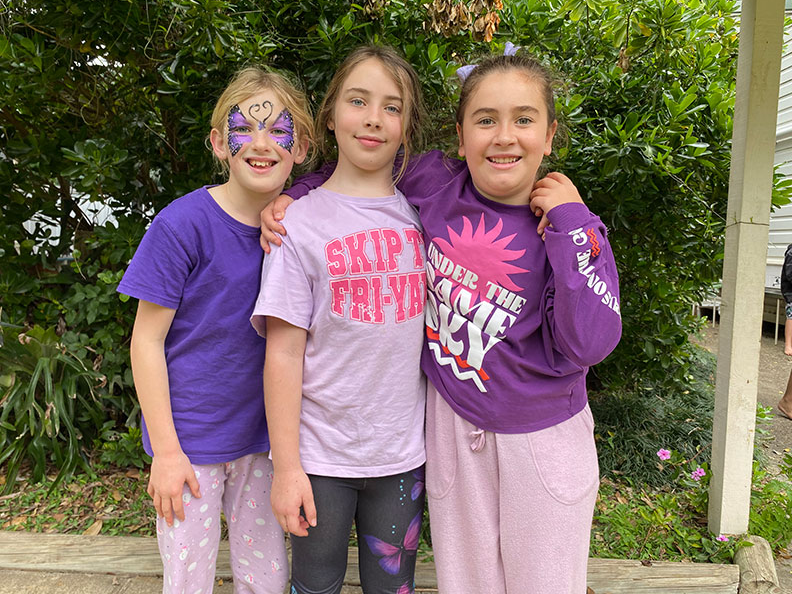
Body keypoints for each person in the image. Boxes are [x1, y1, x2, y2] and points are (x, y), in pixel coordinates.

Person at [266, 45, 623, 594]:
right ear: (460, 137)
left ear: (549, 136)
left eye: (524, 120)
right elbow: (364, 163)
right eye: (486, 120)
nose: (504, 136)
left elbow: (591, 342)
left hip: (541, 438)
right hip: (454, 429)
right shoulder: (435, 184)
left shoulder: (570, 228)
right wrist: (296, 193)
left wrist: (573, 223)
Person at [117, 66, 312, 594]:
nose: (262, 143)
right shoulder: (181, 224)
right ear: (218, 142)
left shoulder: (302, 228)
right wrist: (168, 451)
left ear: (302, 146)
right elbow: (146, 341)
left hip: (264, 444)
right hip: (190, 446)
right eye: (244, 128)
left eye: (278, 130)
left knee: (267, 579)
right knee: (187, 581)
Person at [250, 46, 427, 594]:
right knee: (315, 585)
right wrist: (286, 468)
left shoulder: (424, 217)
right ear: (330, 116)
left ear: (405, 127)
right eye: (358, 101)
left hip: (401, 457)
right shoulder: (296, 224)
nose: (374, 118)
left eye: (391, 107)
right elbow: (282, 351)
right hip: (319, 459)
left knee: (394, 588)